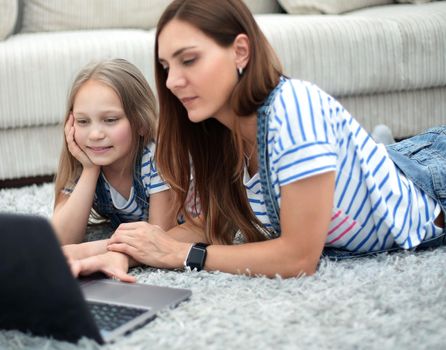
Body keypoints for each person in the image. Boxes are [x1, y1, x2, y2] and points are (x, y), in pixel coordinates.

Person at [77, 0, 445, 279]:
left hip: (430, 188)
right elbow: (210, 224)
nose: (172, 81)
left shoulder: (293, 108)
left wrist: (185, 255)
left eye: (188, 60)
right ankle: (375, 147)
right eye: (166, 67)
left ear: (240, 51)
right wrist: (103, 251)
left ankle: (375, 149)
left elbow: (298, 257)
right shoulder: (220, 131)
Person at [52, 58, 177, 281]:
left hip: (197, 224)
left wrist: (89, 250)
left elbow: (158, 237)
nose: (95, 134)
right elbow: (61, 238)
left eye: (110, 120)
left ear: (141, 122)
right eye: (82, 121)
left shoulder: (156, 158)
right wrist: (90, 170)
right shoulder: (83, 159)